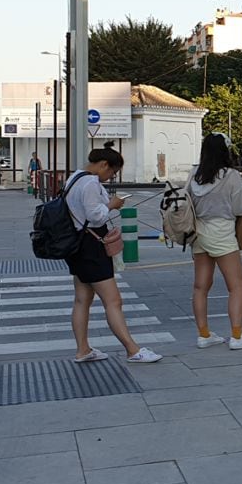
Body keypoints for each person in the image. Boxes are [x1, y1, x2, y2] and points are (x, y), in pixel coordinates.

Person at [63, 141, 162, 364]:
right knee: (113, 300)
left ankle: (83, 349)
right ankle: (132, 349)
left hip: (75, 245)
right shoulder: (90, 182)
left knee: (82, 299)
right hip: (91, 246)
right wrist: (112, 204)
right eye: (112, 172)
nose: (110, 178)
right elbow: (96, 215)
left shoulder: (74, 177)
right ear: (103, 164)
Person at [188, 133, 242, 350]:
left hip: (198, 231)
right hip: (222, 231)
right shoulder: (231, 175)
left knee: (201, 286)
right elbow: (239, 208)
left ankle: (203, 334)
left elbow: (187, 201)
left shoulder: (195, 173)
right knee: (236, 285)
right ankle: (237, 336)